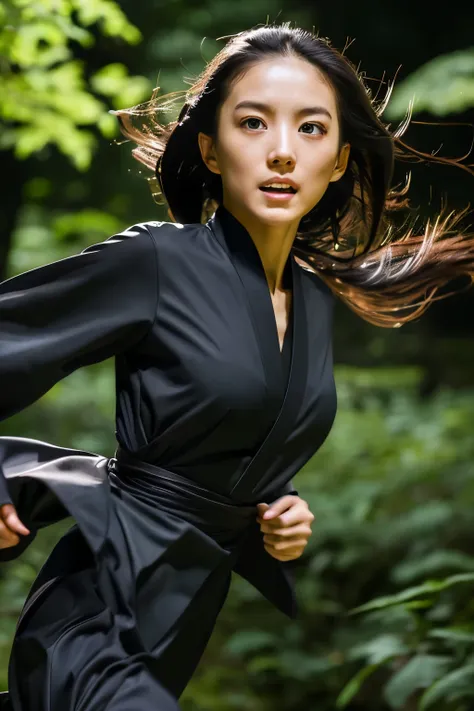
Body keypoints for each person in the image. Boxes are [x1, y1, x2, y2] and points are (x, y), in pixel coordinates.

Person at [0, 22, 473, 711]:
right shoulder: (158, 263)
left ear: (340, 159)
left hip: (179, 625)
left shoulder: (312, 297)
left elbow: (240, 448)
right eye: (253, 123)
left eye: (311, 129)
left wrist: (279, 518)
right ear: (211, 150)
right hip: (97, 616)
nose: (283, 152)